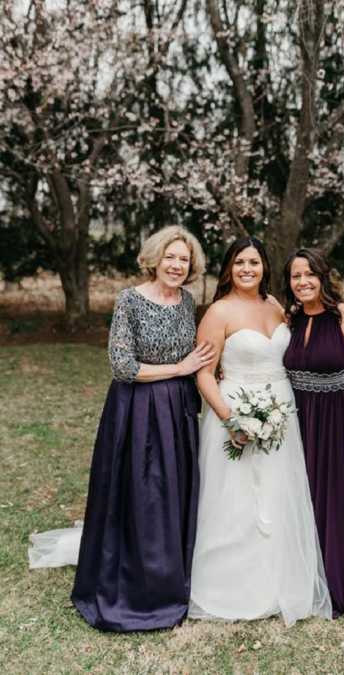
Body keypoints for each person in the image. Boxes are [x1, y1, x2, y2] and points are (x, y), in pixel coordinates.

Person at [29, 225, 215, 632]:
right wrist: (178, 370)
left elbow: (197, 353)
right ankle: (133, 584)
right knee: (140, 493)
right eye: (171, 256)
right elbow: (123, 366)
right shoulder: (129, 300)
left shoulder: (186, 302)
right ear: (155, 258)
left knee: (172, 494)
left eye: (184, 259)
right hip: (137, 409)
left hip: (178, 410)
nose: (177, 265)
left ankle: (170, 576)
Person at [188, 237, 332, 626]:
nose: (247, 269)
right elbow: (204, 373)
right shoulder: (218, 312)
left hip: (282, 411)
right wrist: (230, 419)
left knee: (276, 492)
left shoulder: (276, 307)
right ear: (229, 268)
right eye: (239, 263)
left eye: (254, 262)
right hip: (233, 411)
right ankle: (230, 584)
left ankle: (276, 579)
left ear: (265, 267)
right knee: (235, 497)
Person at [283, 248, 344, 618]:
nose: (303, 281)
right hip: (298, 419)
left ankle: (336, 580)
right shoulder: (288, 320)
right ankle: (301, 575)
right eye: (295, 276)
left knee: (336, 500)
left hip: (341, 420)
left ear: (324, 276)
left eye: (310, 273)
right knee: (300, 497)